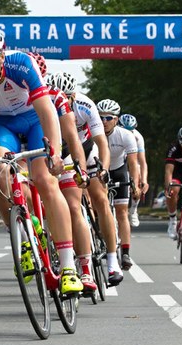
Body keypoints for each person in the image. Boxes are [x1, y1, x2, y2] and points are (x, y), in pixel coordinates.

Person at [0, 25, 83, 296]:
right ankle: (22, 238)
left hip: (35, 120)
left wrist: (55, 153)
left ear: (1, 55)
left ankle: (69, 268)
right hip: (2, 125)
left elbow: (47, 111)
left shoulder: (21, 64)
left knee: (45, 180)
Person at [50, 72, 125, 284]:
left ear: (73, 95)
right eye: (58, 98)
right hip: (61, 151)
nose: (61, 103)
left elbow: (102, 143)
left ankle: (112, 261)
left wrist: (104, 169)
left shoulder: (85, 105)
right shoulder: (47, 103)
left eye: (66, 98)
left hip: (86, 148)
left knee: (100, 196)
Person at [43, 72, 95, 291]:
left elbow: (75, 142)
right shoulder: (38, 101)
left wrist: (81, 171)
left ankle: (86, 269)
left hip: (70, 153)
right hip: (44, 153)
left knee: (74, 207)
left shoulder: (84, 106)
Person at [96, 99, 140, 270]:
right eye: (100, 118)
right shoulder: (92, 135)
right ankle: (100, 240)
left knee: (122, 212)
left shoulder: (126, 135)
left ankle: (126, 252)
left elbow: (133, 163)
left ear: (116, 119)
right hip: (99, 170)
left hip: (119, 170)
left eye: (108, 118)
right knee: (98, 208)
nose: (104, 122)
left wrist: (134, 184)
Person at [118, 113, 149, 227]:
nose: (127, 133)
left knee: (138, 178)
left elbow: (142, 161)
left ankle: (134, 209)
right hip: (117, 159)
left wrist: (144, 180)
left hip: (132, 161)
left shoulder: (138, 137)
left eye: (130, 130)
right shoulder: (114, 133)